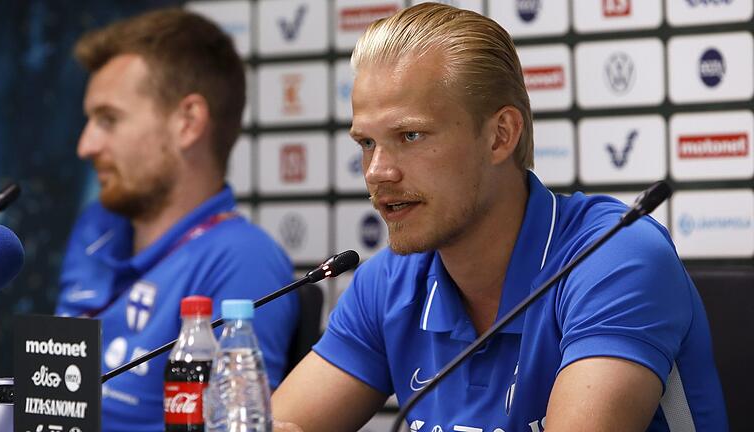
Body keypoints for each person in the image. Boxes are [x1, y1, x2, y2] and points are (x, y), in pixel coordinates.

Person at [272, 3, 728, 431]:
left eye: (410, 135)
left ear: (500, 136)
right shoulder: (389, 283)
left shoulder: (614, 258)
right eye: (366, 143)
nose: (377, 172)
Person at [55, 9, 299, 432]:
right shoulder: (95, 228)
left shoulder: (244, 259)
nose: (86, 145)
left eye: (108, 119)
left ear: (187, 123)